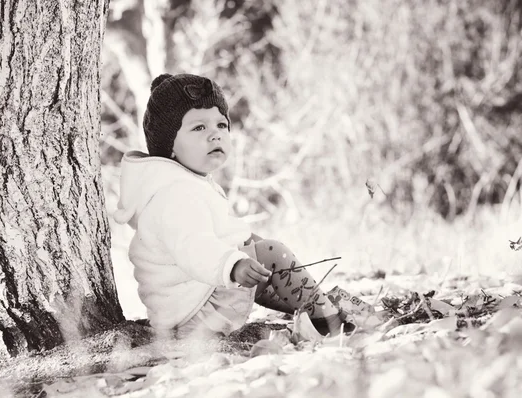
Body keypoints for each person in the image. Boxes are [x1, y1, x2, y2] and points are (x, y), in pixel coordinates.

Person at [114, 73, 353, 340]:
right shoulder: (175, 194)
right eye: (199, 128)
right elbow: (193, 247)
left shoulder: (181, 183)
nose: (215, 135)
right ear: (168, 145)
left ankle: (314, 306)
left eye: (221, 125)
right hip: (197, 314)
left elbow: (222, 235)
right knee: (272, 253)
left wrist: (244, 249)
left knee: (257, 250)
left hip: (192, 305)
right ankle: (331, 320)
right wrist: (233, 264)